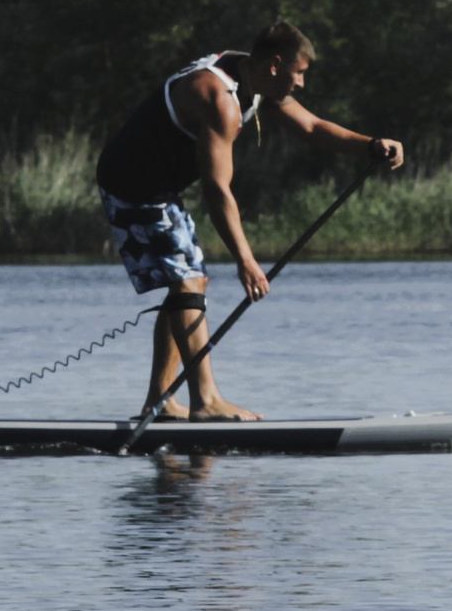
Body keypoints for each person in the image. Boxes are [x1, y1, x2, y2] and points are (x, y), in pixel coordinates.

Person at [94, 21, 404, 421]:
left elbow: (311, 127)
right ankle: (205, 401)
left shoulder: (254, 79)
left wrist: (370, 145)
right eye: (300, 73)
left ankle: (161, 402)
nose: (302, 84)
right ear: (276, 65)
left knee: (188, 285)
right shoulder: (217, 97)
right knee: (189, 282)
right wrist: (245, 259)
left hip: (161, 187)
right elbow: (217, 189)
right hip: (132, 184)